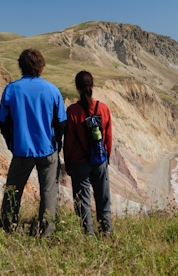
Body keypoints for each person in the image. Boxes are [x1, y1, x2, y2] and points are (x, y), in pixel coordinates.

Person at [0, 48, 66, 237]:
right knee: (48, 193)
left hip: (21, 150)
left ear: (21, 66)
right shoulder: (52, 90)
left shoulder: (11, 90)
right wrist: (56, 146)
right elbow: (61, 123)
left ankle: (7, 228)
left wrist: (12, 144)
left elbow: (4, 123)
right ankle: (46, 233)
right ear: (41, 65)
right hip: (47, 150)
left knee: (13, 191)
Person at [63, 70, 113, 236]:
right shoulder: (103, 108)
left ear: (77, 88)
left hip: (79, 162)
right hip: (99, 160)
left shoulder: (72, 111)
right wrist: (107, 158)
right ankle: (106, 232)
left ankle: (88, 236)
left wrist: (68, 163)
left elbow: (68, 141)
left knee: (83, 201)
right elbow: (108, 137)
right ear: (92, 86)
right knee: (103, 197)